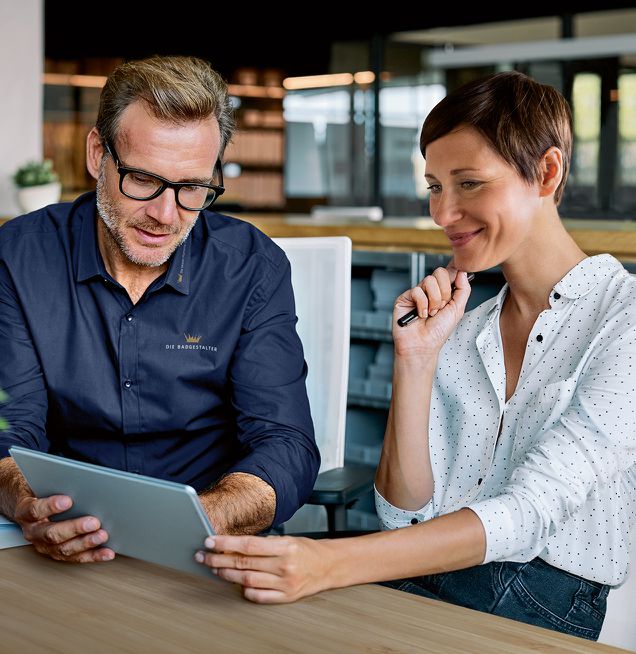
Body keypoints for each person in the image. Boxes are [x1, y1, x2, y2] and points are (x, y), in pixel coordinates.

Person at [194, 71, 636, 641]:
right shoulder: (464, 326)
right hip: (440, 572)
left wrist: (329, 565)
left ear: (546, 173)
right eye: (434, 186)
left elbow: (528, 514)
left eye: (469, 183)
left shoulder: (623, 320)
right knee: (227, 599)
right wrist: (417, 361)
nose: (443, 212)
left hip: (545, 598)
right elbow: (401, 514)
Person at [0, 55, 319, 562]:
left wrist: (189, 523)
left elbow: (285, 445)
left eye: (192, 188)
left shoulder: (253, 267)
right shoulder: (18, 256)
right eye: (144, 180)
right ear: (96, 154)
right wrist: (28, 504)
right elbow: (8, 428)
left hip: (210, 546)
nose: (165, 216)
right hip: (59, 541)